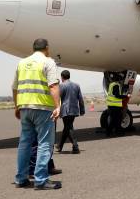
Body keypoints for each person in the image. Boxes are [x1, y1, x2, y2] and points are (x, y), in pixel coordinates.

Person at [12, 38, 62, 190]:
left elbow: (14, 87)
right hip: (43, 108)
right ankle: (41, 180)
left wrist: (17, 106)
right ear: (47, 48)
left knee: (25, 144)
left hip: (25, 108)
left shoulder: (21, 63)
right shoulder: (48, 62)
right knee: (44, 144)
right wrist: (58, 106)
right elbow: (53, 85)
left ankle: (21, 179)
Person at [57, 70, 85, 153]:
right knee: (67, 127)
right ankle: (60, 146)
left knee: (68, 127)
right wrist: (82, 109)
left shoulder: (61, 86)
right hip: (74, 109)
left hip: (66, 110)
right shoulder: (76, 85)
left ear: (62, 77)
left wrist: (56, 109)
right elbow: (80, 99)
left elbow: (58, 98)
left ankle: (75, 146)